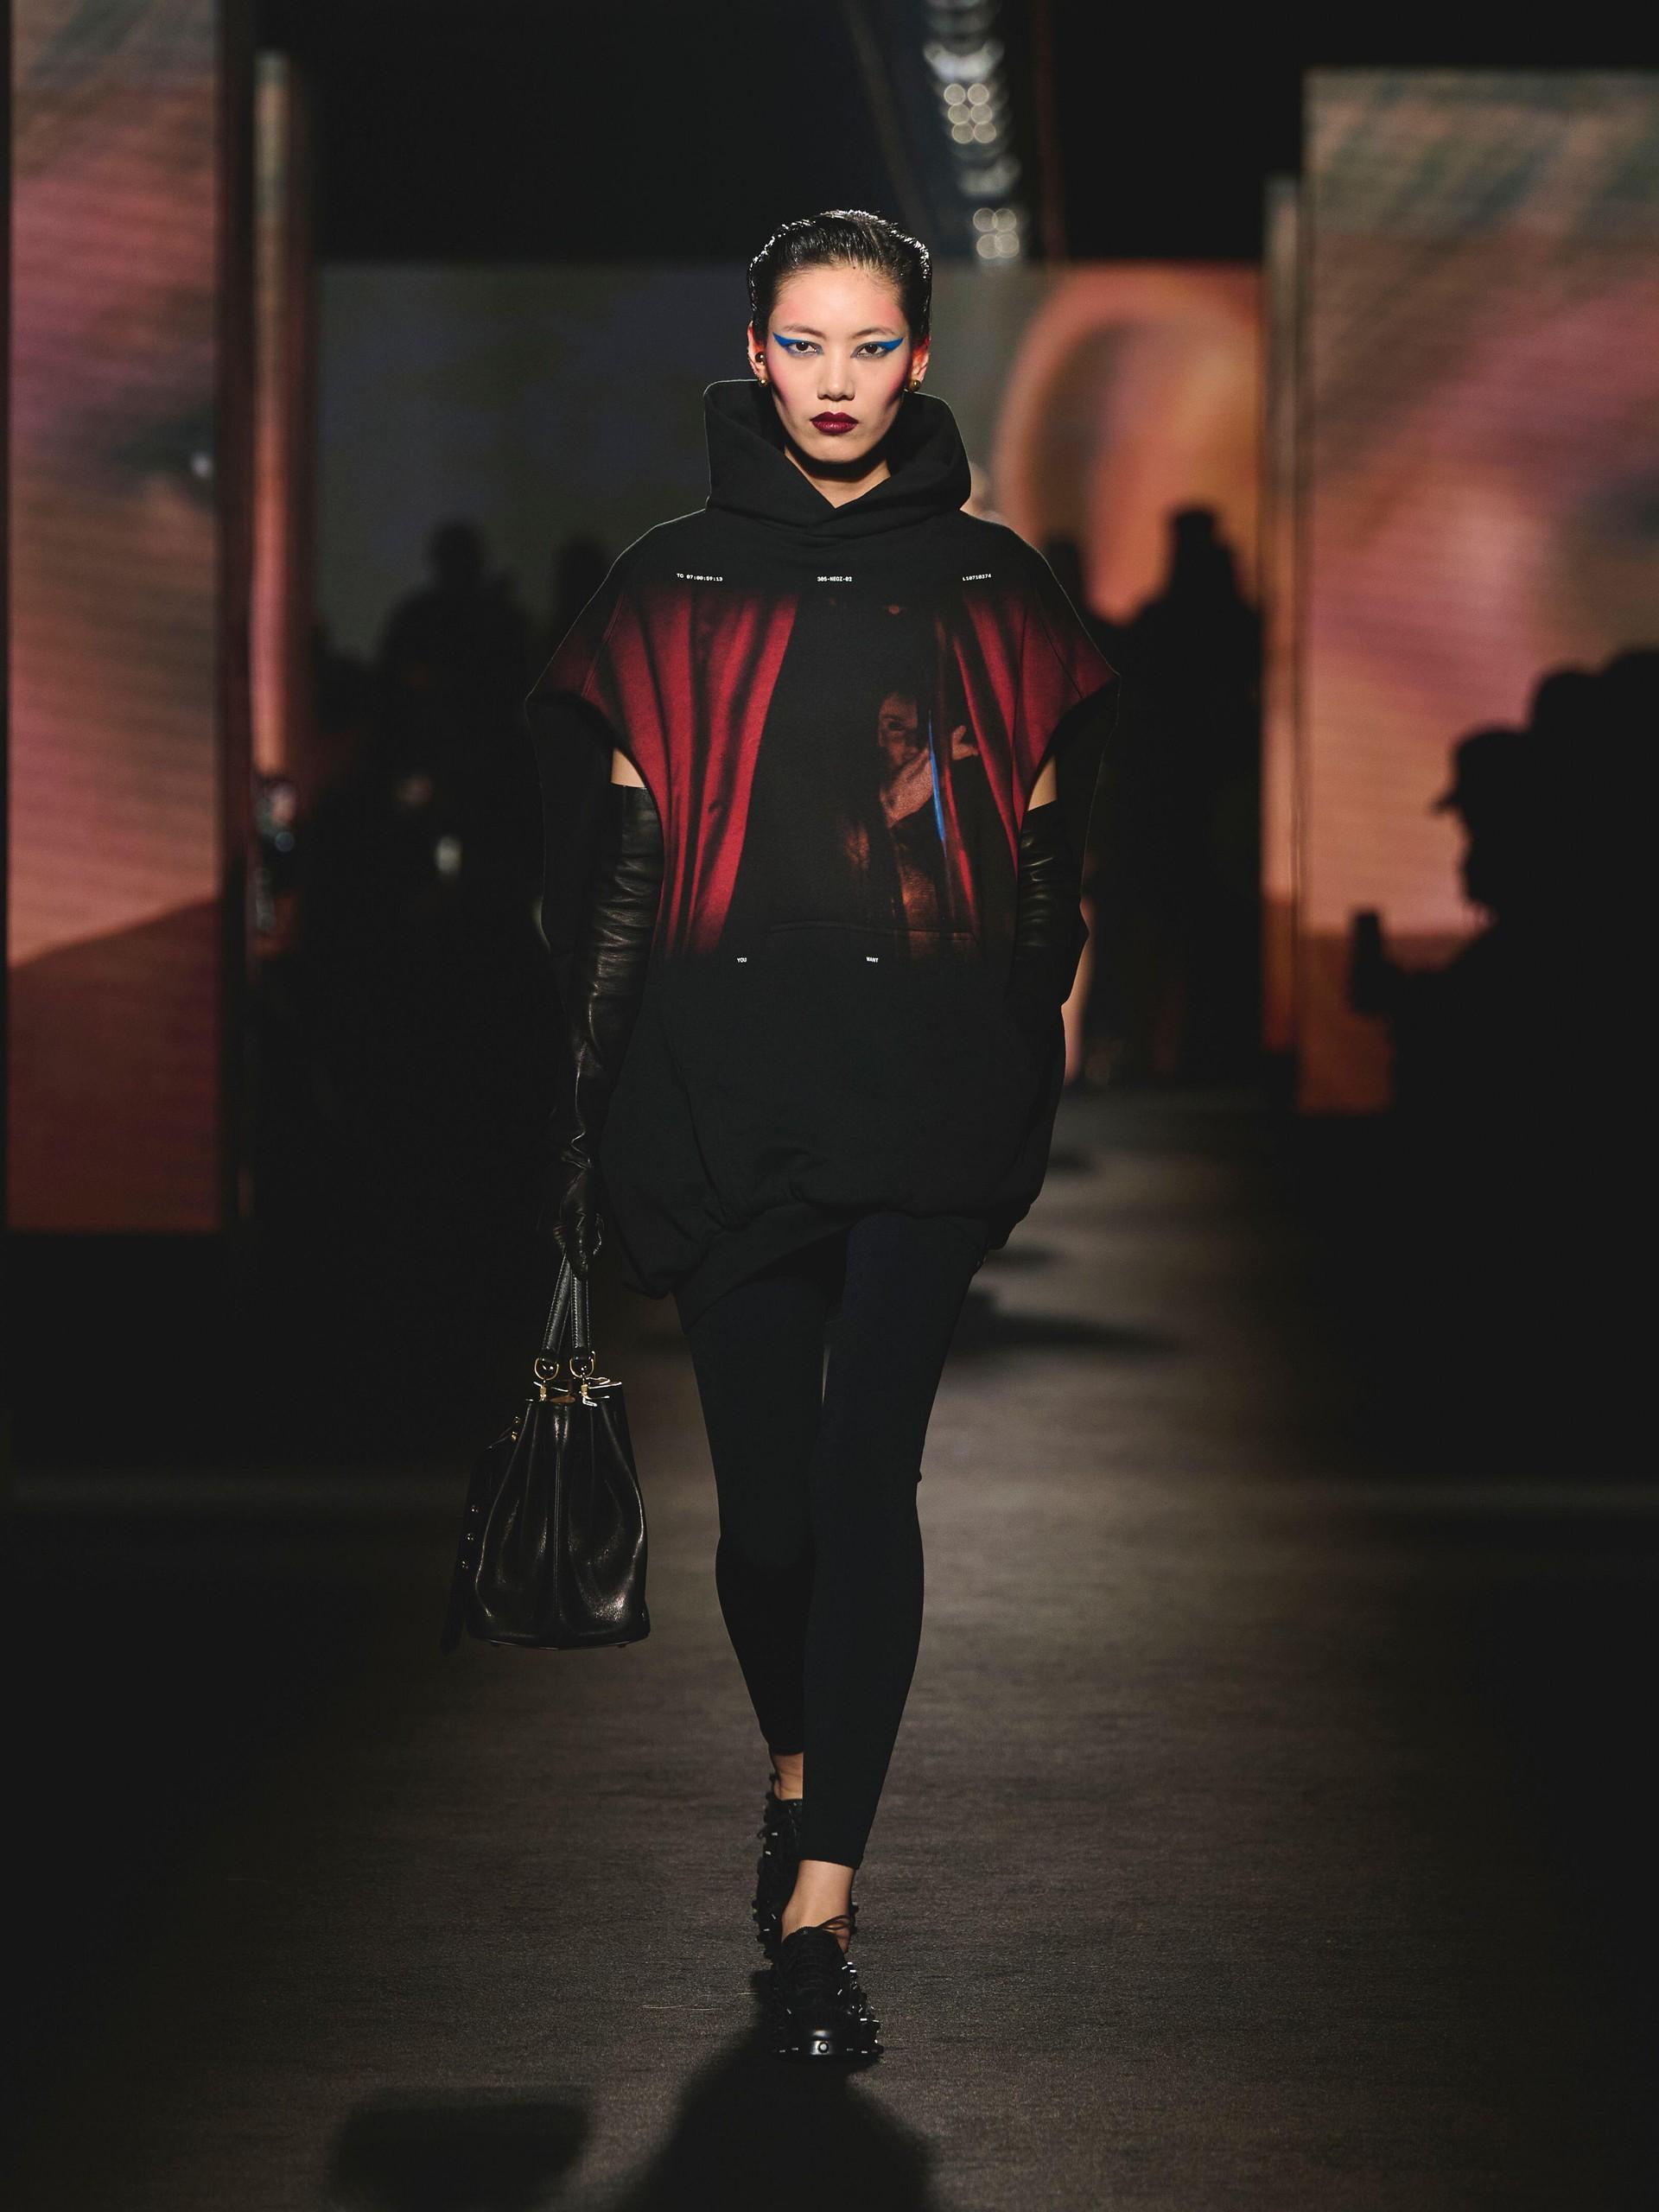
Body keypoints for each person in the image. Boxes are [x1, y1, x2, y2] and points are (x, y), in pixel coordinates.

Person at [524, 210, 1117, 2061]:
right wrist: (585, 1104)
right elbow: (621, 871)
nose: (839, 380)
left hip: (927, 1087)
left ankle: (821, 1906)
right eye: (806, 343)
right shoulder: (671, 584)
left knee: (868, 1484)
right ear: (756, 354)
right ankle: (797, 1770)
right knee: (770, 1513)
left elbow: (1046, 851)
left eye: (872, 345)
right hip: (725, 1082)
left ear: (920, 358)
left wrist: (1019, 1030)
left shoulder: (994, 586)